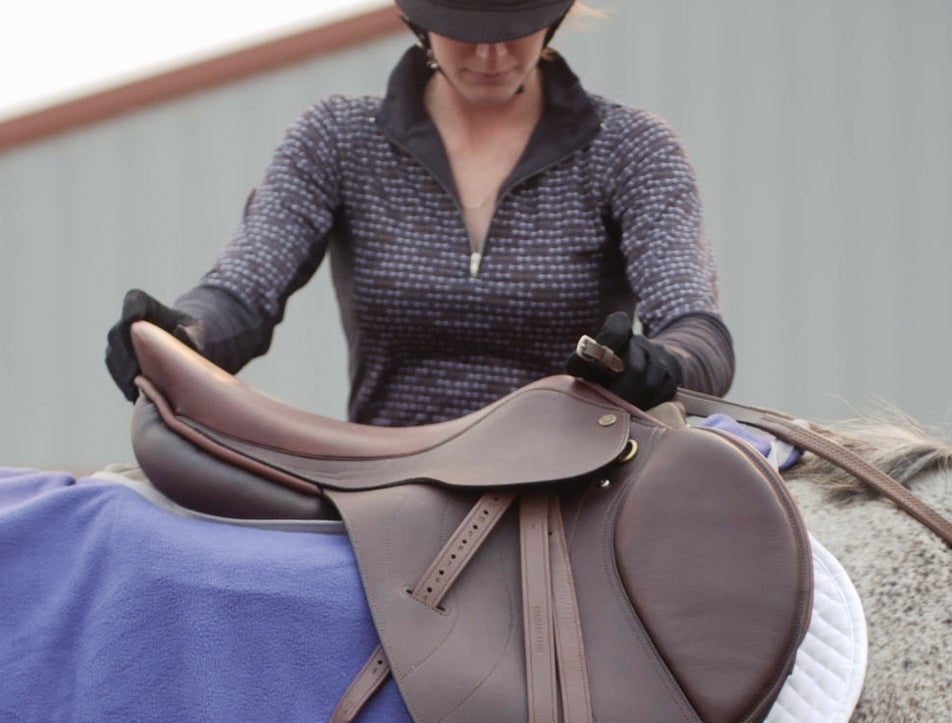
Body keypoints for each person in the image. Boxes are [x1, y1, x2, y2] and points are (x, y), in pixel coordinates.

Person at [105, 0, 734, 426]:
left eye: (514, 27)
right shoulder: (337, 139)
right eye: (465, 27)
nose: (491, 57)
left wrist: (664, 363)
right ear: (414, 17)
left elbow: (697, 331)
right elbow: (241, 296)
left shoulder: (633, 148)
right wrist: (180, 337)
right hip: (383, 475)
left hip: (577, 472)